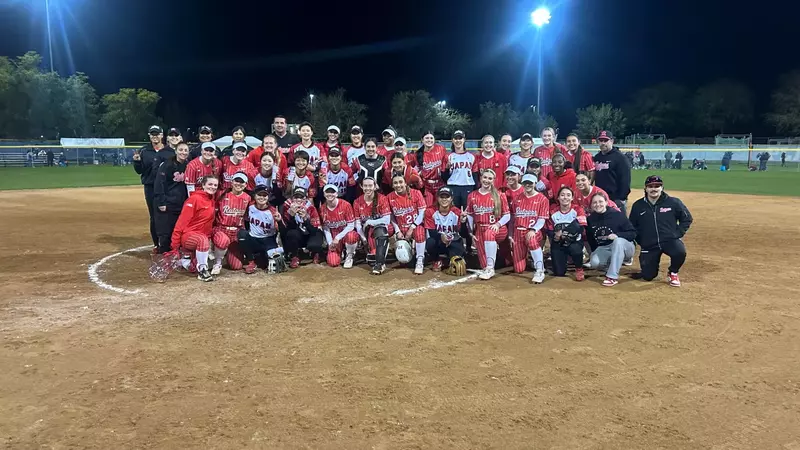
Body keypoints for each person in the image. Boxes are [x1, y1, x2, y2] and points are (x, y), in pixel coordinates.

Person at [629, 175, 693, 287]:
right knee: (648, 276)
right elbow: (632, 226)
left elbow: (687, 218)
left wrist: (677, 233)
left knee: (680, 252)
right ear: (645, 188)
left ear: (662, 187)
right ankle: (648, 270)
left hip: (669, 240)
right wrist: (641, 240)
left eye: (657, 186)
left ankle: (673, 272)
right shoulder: (638, 206)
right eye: (650, 186)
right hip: (649, 244)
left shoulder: (673, 202)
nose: (654, 189)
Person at [133, 125, 174, 253]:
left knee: (169, 214)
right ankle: (157, 243)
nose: (155, 136)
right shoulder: (144, 151)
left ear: (162, 135)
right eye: (152, 134)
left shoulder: (169, 151)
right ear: (149, 136)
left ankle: (170, 242)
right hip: (150, 187)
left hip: (167, 188)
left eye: (157, 134)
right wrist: (137, 162)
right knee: (154, 216)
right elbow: (139, 171)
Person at [170, 175, 219, 282]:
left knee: (192, 267)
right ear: (203, 185)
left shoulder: (211, 199)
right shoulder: (194, 199)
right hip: (189, 235)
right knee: (202, 240)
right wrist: (175, 245)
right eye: (210, 184)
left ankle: (184, 261)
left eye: (215, 185)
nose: (213, 187)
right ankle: (203, 270)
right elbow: (181, 222)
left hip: (202, 237)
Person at [466, 169, 511, 280]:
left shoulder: (500, 195)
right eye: (485, 177)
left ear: (494, 180)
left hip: (497, 229)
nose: (487, 180)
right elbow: (470, 215)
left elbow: (507, 215)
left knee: (489, 234)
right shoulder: (472, 195)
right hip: (480, 229)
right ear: (481, 178)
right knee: (483, 264)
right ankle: (491, 265)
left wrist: (497, 224)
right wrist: (471, 232)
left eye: (490, 178)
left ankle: (491, 269)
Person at [586, 193, 637, 287]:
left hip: (626, 247)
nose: (598, 205)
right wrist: (594, 252)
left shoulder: (617, 215)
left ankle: (612, 277)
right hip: (605, 248)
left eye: (600, 201)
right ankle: (613, 264)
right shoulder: (590, 219)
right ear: (591, 205)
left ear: (606, 202)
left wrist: (617, 235)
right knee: (595, 263)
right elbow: (591, 239)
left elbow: (633, 233)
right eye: (594, 203)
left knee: (618, 241)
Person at [509, 174, 549, 283]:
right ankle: (530, 258)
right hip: (518, 232)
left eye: (530, 183)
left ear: (535, 183)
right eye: (525, 183)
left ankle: (540, 270)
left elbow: (542, 219)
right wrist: (510, 234)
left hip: (532, 231)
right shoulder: (517, 198)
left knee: (531, 240)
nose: (528, 185)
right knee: (519, 269)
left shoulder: (542, 199)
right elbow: (513, 218)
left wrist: (533, 230)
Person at [210, 172, 251, 275]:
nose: (239, 184)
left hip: (236, 232)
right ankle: (217, 262)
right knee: (223, 241)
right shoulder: (221, 194)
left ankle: (227, 253)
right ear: (232, 182)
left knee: (236, 266)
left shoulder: (248, 198)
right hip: (221, 228)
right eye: (237, 181)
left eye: (242, 182)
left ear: (246, 185)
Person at [153, 141, 190, 254]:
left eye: (185, 150)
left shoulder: (188, 165)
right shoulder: (167, 164)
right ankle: (163, 253)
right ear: (175, 151)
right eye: (180, 150)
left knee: (177, 229)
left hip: (180, 202)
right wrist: (161, 202)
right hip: (168, 202)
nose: (183, 152)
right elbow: (160, 183)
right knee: (165, 230)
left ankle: (175, 253)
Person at [239, 185, 285, 274]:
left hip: (268, 240)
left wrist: (279, 221)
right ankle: (251, 261)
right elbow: (246, 221)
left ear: (268, 197)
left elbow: (282, 231)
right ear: (255, 196)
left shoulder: (272, 211)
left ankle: (260, 257)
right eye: (259, 195)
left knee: (268, 263)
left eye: (265, 195)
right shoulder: (250, 206)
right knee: (242, 234)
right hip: (253, 239)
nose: (262, 197)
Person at [388, 174, 428, 275]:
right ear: (392, 185)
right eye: (395, 183)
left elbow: (422, 212)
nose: (398, 185)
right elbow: (391, 217)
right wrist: (397, 231)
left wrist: (412, 227)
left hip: (415, 226)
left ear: (406, 183)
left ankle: (420, 260)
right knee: (387, 228)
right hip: (401, 228)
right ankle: (381, 258)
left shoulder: (416, 193)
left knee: (419, 232)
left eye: (401, 182)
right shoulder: (389, 197)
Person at [353, 177, 393, 274]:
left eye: (370, 185)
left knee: (380, 228)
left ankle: (380, 264)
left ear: (375, 187)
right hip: (366, 232)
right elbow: (357, 223)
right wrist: (363, 239)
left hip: (382, 229)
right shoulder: (357, 202)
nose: (368, 188)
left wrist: (370, 222)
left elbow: (387, 219)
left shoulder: (382, 199)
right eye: (365, 186)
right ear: (361, 187)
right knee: (371, 260)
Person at [548, 187, 587, 281]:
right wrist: (555, 236)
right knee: (559, 273)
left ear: (572, 198)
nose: (565, 197)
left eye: (568, 195)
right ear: (558, 198)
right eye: (562, 195)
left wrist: (565, 233)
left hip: (574, 242)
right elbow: (549, 229)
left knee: (576, 250)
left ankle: (579, 268)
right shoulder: (553, 211)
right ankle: (562, 261)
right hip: (559, 243)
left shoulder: (578, 209)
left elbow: (581, 226)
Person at [424, 186, 467, 271]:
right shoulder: (430, 211)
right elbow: (432, 233)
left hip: (453, 241)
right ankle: (436, 260)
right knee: (430, 242)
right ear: (437, 198)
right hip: (438, 242)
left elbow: (463, 234)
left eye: (447, 197)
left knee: (458, 263)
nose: (444, 199)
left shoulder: (457, 212)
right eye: (441, 197)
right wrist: (441, 236)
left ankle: (450, 260)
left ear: (451, 199)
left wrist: (463, 223)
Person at [282, 187, 324, 268]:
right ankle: (295, 256)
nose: (298, 200)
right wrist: (291, 216)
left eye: (301, 197)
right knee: (291, 234)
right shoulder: (287, 207)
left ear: (305, 198)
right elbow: (286, 229)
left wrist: (306, 219)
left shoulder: (311, 208)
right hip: (299, 235)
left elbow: (314, 230)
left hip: (311, 234)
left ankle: (317, 253)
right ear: (292, 198)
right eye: (296, 197)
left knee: (314, 243)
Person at [319, 184, 360, 268]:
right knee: (333, 262)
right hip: (333, 236)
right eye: (327, 192)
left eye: (332, 192)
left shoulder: (345, 205)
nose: (330, 194)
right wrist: (330, 242)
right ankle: (341, 251)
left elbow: (351, 225)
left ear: (337, 194)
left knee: (351, 236)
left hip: (345, 233)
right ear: (324, 194)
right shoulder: (322, 209)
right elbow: (326, 228)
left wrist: (338, 237)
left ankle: (350, 254)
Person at [592, 130, 631, 216]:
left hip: (615, 198)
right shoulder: (597, 157)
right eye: (600, 140)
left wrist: (621, 198)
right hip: (601, 198)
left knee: (618, 224)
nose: (603, 143)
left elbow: (625, 179)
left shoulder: (620, 158)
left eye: (606, 140)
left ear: (612, 141)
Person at [415, 131, 448, 206]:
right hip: (427, 186)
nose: (429, 140)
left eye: (431, 138)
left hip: (440, 183)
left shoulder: (441, 149)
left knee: (440, 207)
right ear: (422, 140)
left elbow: (446, 164)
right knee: (428, 208)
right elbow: (417, 169)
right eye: (426, 138)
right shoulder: (418, 153)